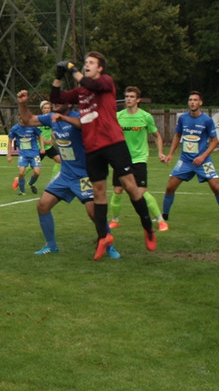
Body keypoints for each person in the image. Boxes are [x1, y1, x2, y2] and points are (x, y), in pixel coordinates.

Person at [51, 53, 156, 259]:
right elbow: (55, 98)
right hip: (92, 148)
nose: (87, 65)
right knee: (98, 192)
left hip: (113, 143)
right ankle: (103, 237)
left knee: (130, 186)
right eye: (85, 63)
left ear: (100, 68)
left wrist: (73, 70)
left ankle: (148, 227)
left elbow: (91, 84)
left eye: (91, 63)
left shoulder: (106, 81)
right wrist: (58, 76)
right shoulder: (80, 91)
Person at [17, 92, 119, 258]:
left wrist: (63, 118)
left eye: (60, 101)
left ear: (70, 104)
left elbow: (84, 125)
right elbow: (29, 120)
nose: (55, 103)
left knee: (94, 213)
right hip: (65, 174)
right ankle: (51, 246)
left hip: (84, 175)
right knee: (42, 206)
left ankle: (110, 246)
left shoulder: (78, 117)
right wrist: (22, 104)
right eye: (54, 101)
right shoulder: (51, 118)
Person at [161, 91, 219, 224]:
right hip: (185, 160)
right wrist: (170, 154)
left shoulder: (207, 120)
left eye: (195, 100)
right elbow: (177, 136)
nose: (192, 102)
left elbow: (214, 141)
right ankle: (164, 217)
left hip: (203, 161)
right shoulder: (183, 118)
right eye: (190, 100)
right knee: (170, 187)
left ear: (200, 103)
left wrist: (203, 156)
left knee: (216, 186)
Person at [109, 86, 167, 232]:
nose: (128, 99)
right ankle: (115, 220)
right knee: (117, 190)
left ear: (138, 100)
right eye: (127, 96)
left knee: (141, 192)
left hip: (139, 159)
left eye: (132, 97)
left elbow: (157, 136)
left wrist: (160, 152)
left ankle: (160, 220)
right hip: (121, 159)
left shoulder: (145, 117)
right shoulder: (118, 116)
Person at [7, 120, 42, 195]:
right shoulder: (15, 128)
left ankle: (30, 183)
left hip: (35, 153)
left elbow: (40, 136)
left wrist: (42, 148)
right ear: (19, 118)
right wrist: (9, 155)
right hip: (23, 154)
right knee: (21, 172)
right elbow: (9, 141)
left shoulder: (32, 126)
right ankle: (22, 192)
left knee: (37, 172)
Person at [37, 100, 63, 181]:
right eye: (45, 108)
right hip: (39, 147)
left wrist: (57, 138)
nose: (47, 110)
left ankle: (52, 181)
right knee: (33, 166)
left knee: (59, 160)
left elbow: (51, 131)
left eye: (48, 108)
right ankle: (19, 178)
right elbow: (36, 135)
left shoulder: (51, 119)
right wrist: (45, 141)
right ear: (42, 109)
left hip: (49, 147)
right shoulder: (38, 120)